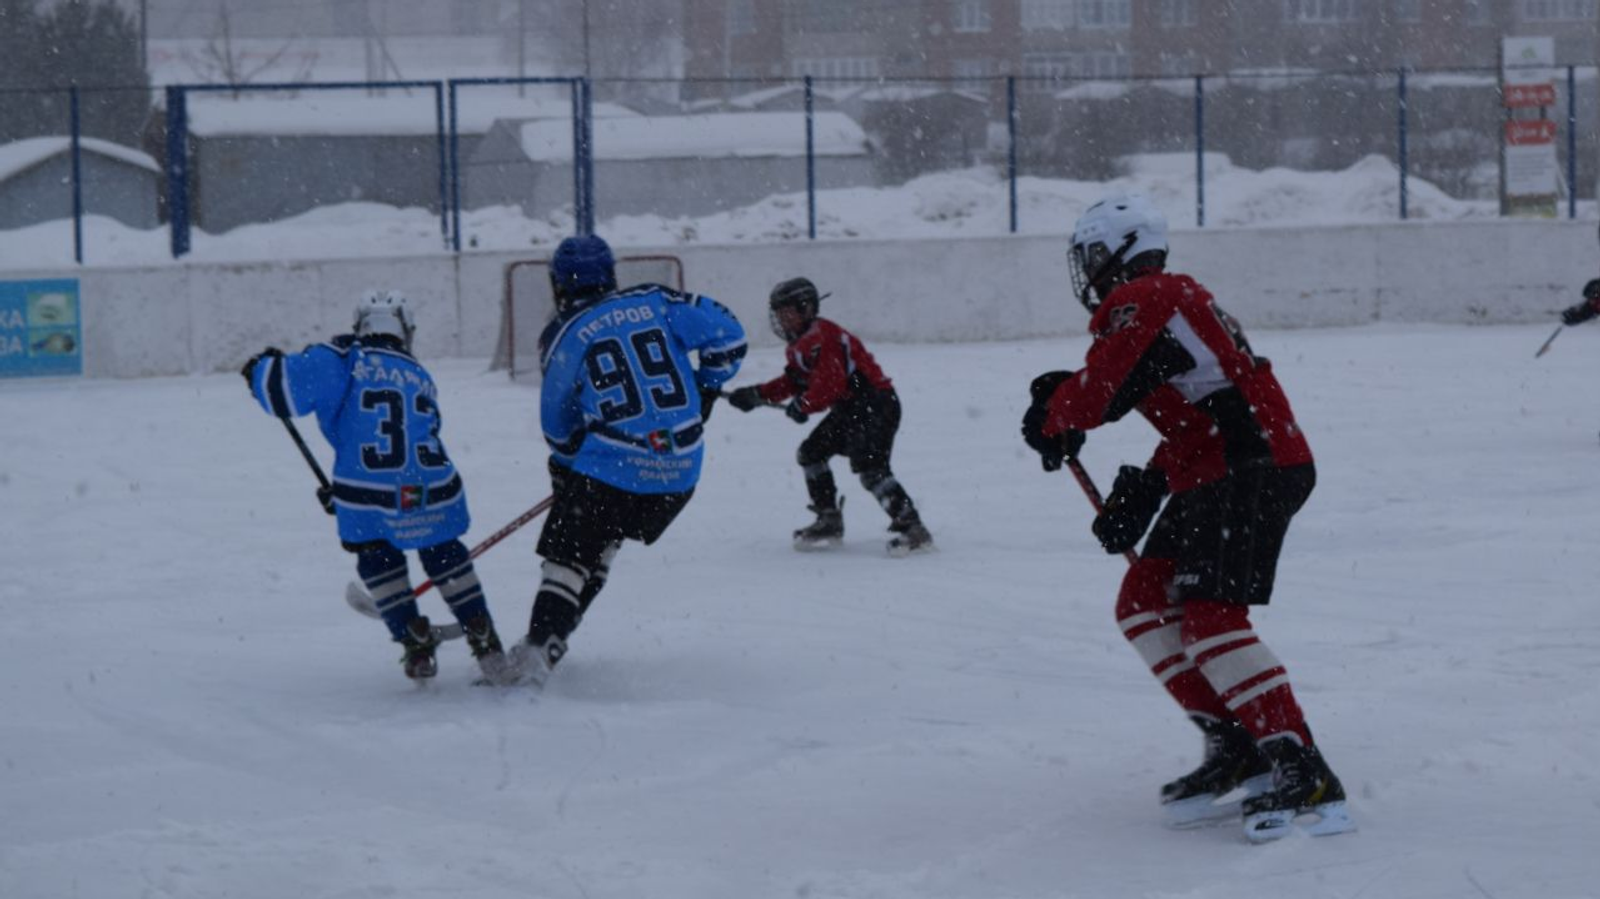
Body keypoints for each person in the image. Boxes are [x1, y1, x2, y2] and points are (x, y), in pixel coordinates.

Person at [1019, 193, 1353, 842]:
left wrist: (1052, 412)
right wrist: (1145, 488)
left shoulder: (1150, 295)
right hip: (1215, 467)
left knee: (1209, 620)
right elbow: (1186, 416)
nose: (1086, 271)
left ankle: (1301, 764)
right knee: (1143, 601)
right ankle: (1237, 743)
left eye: (1090, 255)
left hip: (1254, 465)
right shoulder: (1166, 307)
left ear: (1121, 250)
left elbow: (1099, 391)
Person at [242, 290, 514, 685]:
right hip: (433, 485)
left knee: (375, 551)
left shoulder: (339, 361)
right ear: (405, 329)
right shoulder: (420, 375)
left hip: (365, 488)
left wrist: (259, 368)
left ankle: (413, 638)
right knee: (442, 549)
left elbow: (277, 388)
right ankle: (483, 635)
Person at [515, 234, 747, 686]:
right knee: (603, 540)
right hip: (680, 473)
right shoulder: (658, 301)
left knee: (569, 555)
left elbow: (557, 425)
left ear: (558, 283)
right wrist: (706, 386)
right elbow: (730, 336)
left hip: (613, 469)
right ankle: (553, 640)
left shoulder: (562, 333)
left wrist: (568, 467)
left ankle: (541, 646)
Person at [724, 277, 934, 556]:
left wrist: (803, 405)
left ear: (807, 308)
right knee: (811, 453)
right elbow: (796, 381)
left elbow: (829, 384)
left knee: (871, 469)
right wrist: (757, 394)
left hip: (876, 403)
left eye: (786, 312)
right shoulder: (801, 345)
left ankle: (913, 529)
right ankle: (829, 520)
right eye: (777, 314)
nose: (780, 320)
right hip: (851, 409)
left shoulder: (824, 337)